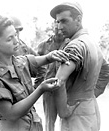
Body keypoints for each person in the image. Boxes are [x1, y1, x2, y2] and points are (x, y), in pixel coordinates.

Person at [0, 14, 70, 131]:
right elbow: (11, 114)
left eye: (15, 35)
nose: (16, 41)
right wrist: (40, 89)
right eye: (9, 39)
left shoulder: (20, 62)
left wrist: (52, 55)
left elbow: (41, 59)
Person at [41, 1, 108, 131]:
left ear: (78, 20)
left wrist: (63, 111)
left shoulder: (75, 45)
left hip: (75, 114)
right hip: (90, 110)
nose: (59, 26)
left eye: (64, 21)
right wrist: (91, 94)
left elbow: (58, 81)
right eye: (57, 21)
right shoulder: (91, 42)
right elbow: (106, 70)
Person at [11, 16, 46, 88]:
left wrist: (37, 87)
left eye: (17, 32)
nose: (16, 35)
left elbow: (42, 67)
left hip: (25, 91)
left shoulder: (24, 47)